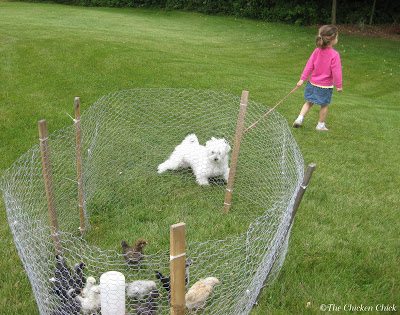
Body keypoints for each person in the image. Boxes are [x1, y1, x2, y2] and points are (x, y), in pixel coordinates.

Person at [293, 25, 342, 131]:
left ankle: (299, 119)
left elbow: (309, 65)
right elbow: (337, 72)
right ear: (332, 39)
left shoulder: (317, 51)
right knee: (324, 105)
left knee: (308, 102)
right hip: (325, 86)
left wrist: (302, 79)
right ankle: (320, 125)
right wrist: (339, 86)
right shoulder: (334, 55)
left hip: (312, 83)